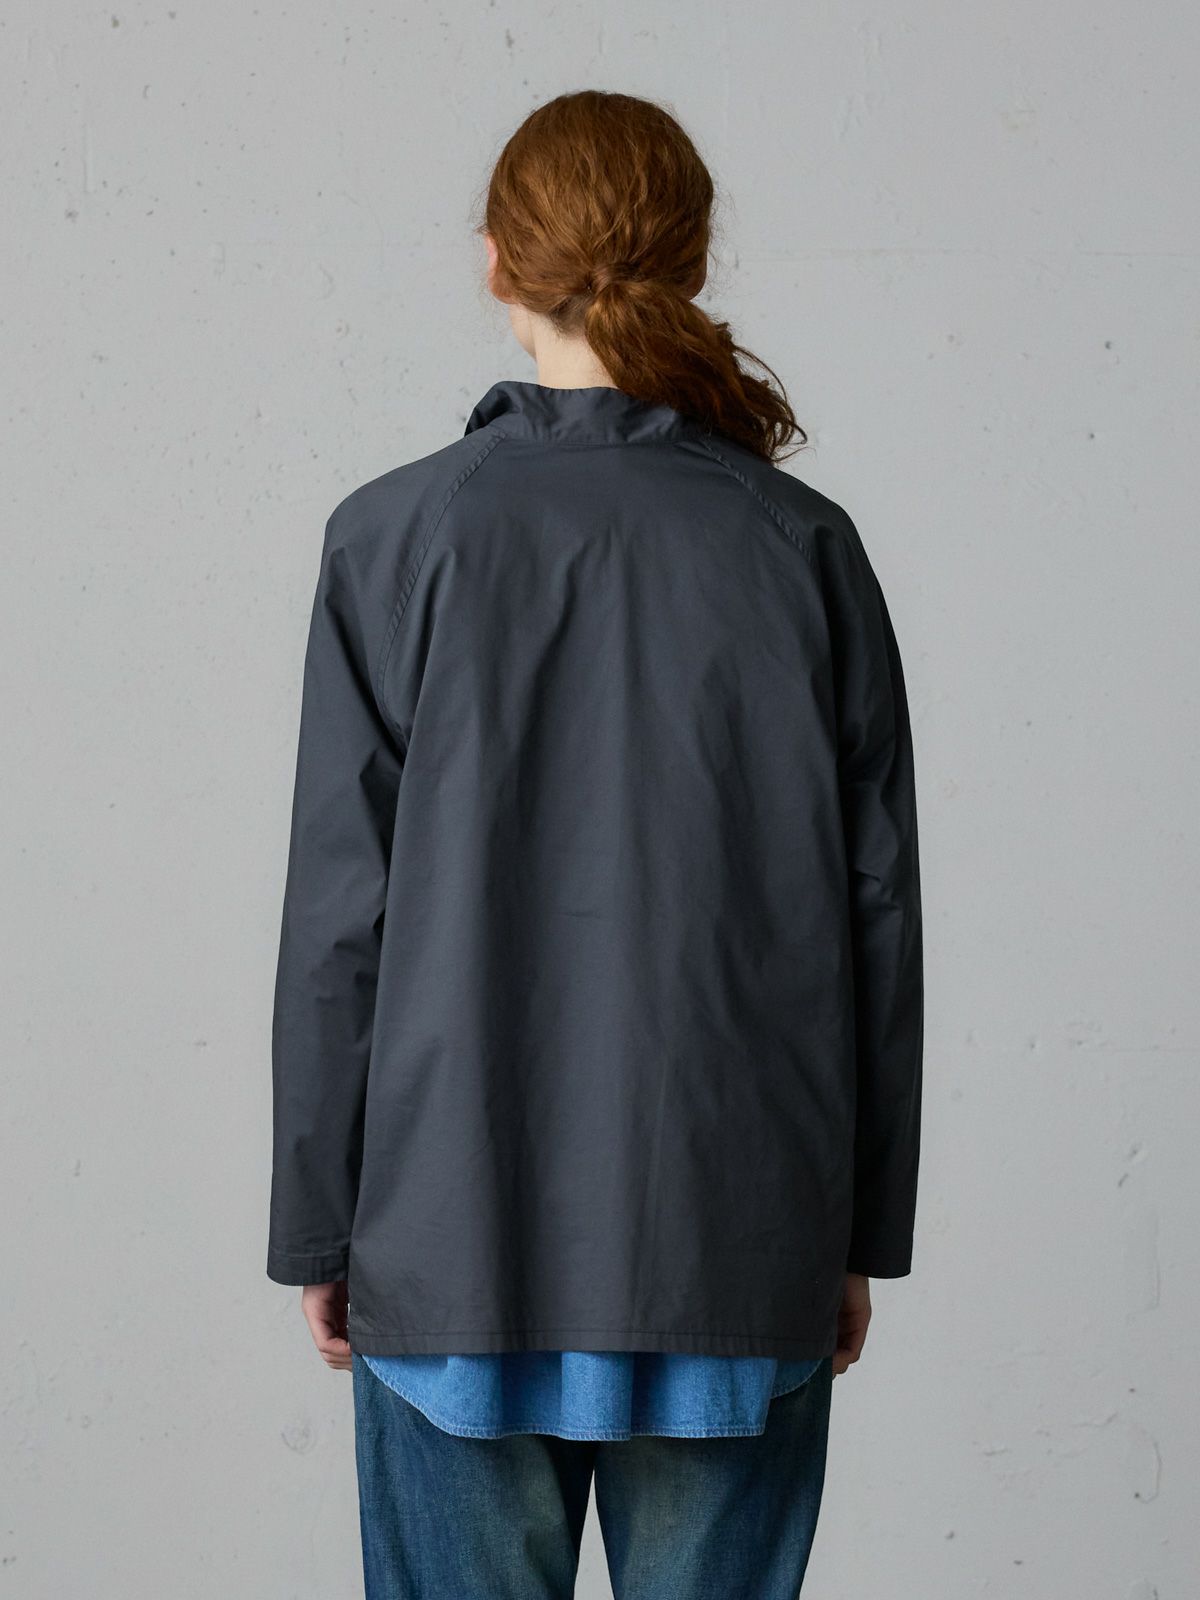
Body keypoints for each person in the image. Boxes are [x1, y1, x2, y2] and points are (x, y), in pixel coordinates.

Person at [267, 89, 923, 1599]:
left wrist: (321, 1229)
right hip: (736, 1235)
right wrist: (853, 1231)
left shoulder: (393, 539)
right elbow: (875, 911)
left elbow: (337, 924)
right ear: (690, 261)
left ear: (498, 264)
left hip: (449, 1242)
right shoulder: (802, 547)